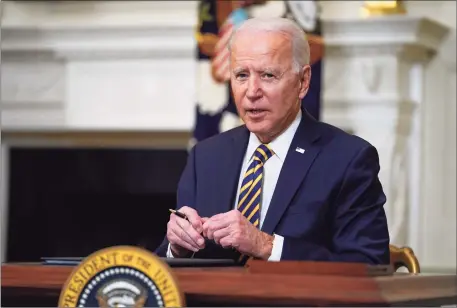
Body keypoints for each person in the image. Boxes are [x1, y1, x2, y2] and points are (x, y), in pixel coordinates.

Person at [155, 17, 390, 264]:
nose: (252, 91)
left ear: (303, 81)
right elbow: (166, 267)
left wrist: (266, 245)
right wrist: (176, 246)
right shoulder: (205, 156)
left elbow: (369, 266)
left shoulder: (347, 159)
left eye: (268, 75)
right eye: (242, 75)